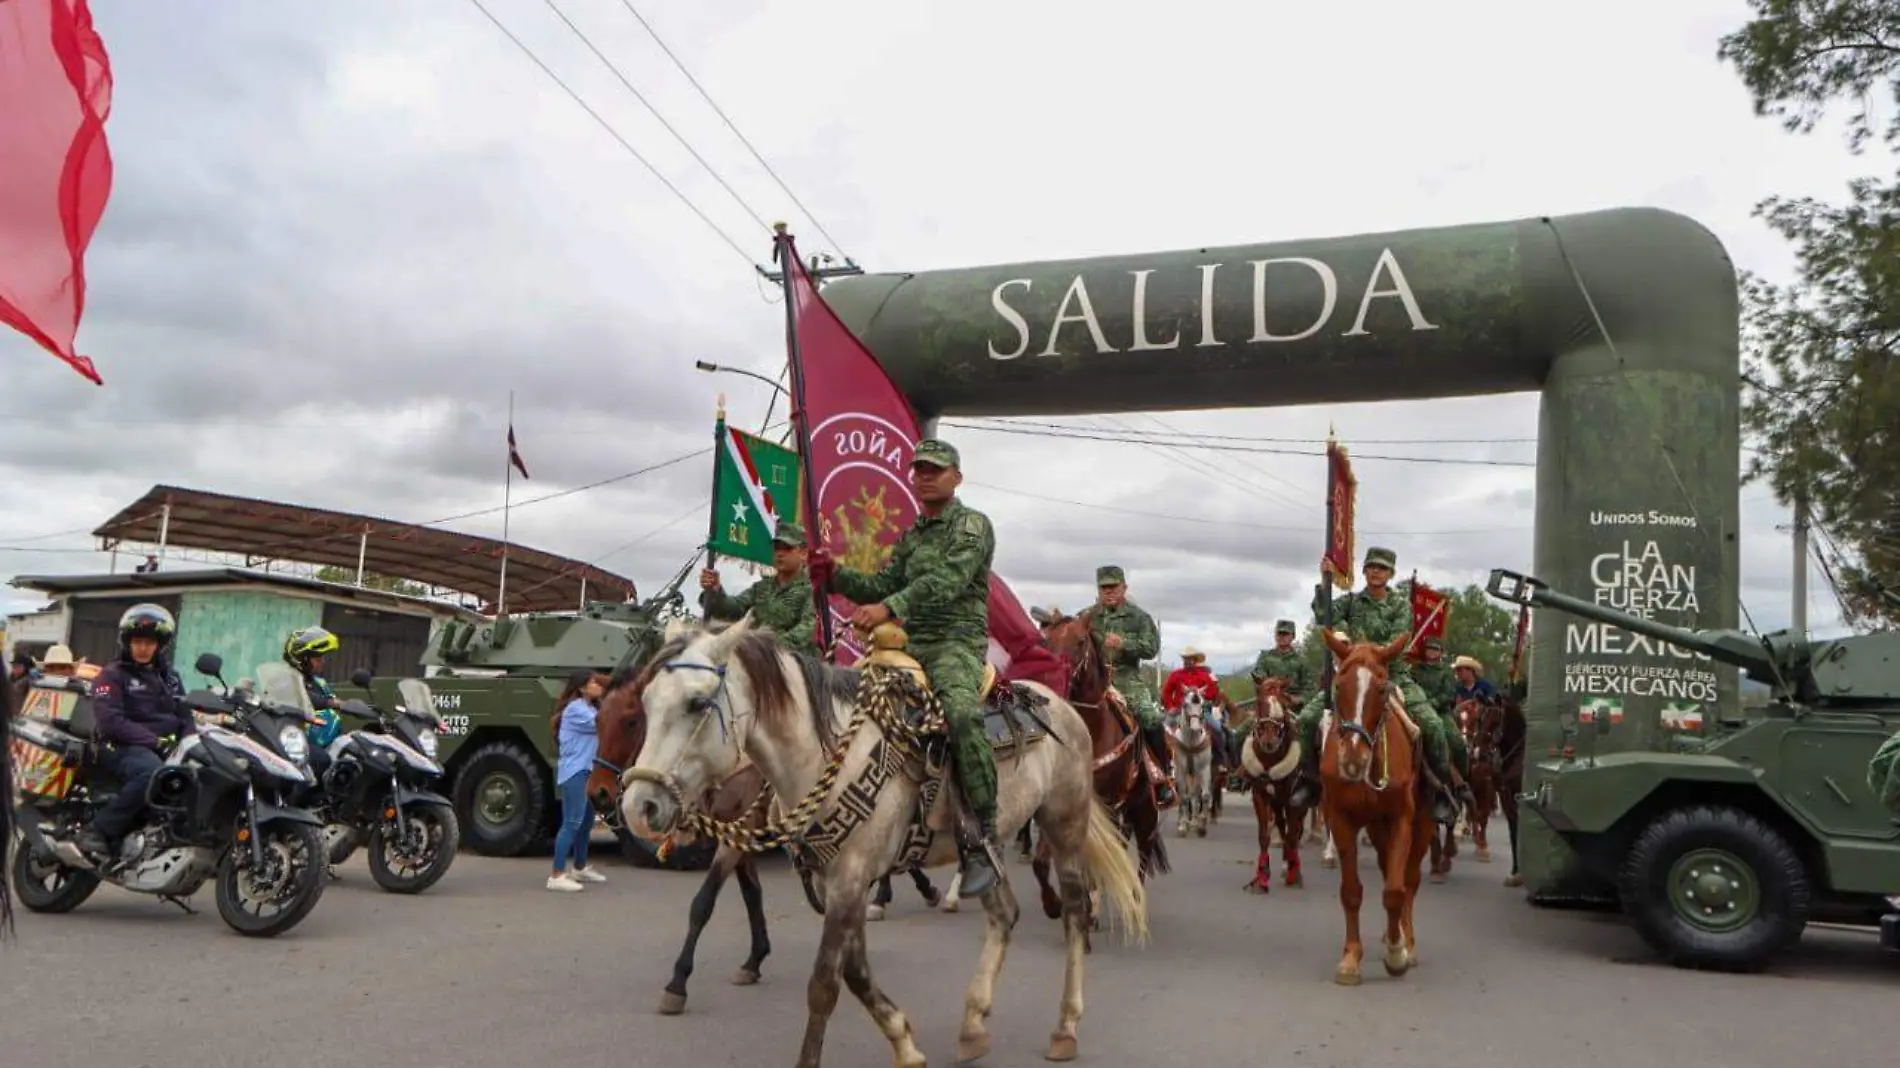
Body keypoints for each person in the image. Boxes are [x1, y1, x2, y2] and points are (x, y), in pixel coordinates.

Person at [809, 438, 1005, 898]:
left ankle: (984, 837)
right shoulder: (913, 535)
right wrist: (835, 574)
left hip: (955, 642)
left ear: (956, 477)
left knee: (960, 714)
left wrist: (889, 606)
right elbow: (880, 583)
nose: (924, 476)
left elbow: (948, 581)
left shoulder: (972, 526)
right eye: (918, 469)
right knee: (847, 708)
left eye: (935, 469)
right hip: (910, 644)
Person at [1287, 546, 1469, 820]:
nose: (1376, 572)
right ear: (1364, 571)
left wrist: (1369, 655)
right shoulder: (1351, 602)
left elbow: (1398, 641)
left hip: (1392, 676)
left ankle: (1441, 789)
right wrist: (1323, 581)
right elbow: (1324, 615)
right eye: (1371, 566)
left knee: (1432, 725)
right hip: (1355, 676)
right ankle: (1310, 779)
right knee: (1308, 719)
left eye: (1382, 568)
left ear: (1390, 574)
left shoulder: (1399, 606)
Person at [78, 605, 192, 861]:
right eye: (138, 641)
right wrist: (154, 741)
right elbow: (110, 721)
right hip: (119, 746)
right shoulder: (113, 674)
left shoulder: (171, 678)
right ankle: (98, 829)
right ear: (127, 642)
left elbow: (186, 715)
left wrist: (190, 744)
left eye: (149, 642)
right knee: (152, 773)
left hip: (159, 747)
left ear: (159, 645)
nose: (143, 648)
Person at [1089, 565, 1174, 806]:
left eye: (1113, 587)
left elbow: (1151, 647)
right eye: (1104, 588)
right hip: (1094, 681)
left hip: (1127, 680)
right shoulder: (1087, 616)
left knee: (1150, 718)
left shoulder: (1139, 617)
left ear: (1124, 587)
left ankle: (1163, 777)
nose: (1109, 592)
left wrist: (1124, 643)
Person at [699, 519, 817, 653]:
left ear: (803, 553)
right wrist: (715, 591)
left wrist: (765, 647)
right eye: (777, 547)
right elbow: (733, 609)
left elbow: (808, 630)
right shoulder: (761, 588)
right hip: (759, 661)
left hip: (797, 664)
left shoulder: (814, 589)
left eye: (787, 548)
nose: (780, 553)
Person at [547, 669, 608, 892]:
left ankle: (579, 867)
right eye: (594, 683)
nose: (598, 686)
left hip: (587, 771)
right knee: (572, 822)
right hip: (575, 772)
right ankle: (556, 874)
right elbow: (603, 723)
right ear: (582, 687)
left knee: (585, 823)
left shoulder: (590, 707)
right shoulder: (576, 710)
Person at [283, 626, 344, 793]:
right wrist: (332, 703)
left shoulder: (319, 682)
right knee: (321, 760)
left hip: (327, 738)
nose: (322, 662)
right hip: (297, 739)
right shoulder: (287, 680)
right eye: (317, 658)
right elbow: (304, 697)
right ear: (302, 660)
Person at [1241, 619, 1312, 748]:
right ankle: (1234, 764)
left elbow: (1310, 687)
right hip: (1267, 705)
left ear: (1292, 636)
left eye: (1286, 634)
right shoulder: (1265, 656)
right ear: (1275, 635)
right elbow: (1259, 675)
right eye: (1279, 634)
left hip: (1292, 706)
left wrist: (1300, 699)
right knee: (1240, 732)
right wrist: (1268, 686)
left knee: (1308, 733)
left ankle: (1307, 766)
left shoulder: (1302, 661)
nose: (1282, 637)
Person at [1161, 647, 1228, 768]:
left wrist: (1201, 694)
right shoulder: (1175, 675)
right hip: (1178, 710)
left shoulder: (1204, 676)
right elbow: (1166, 693)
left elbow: (1213, 692)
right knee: (1162, 730)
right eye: (1186, 659)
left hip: (1199, 710)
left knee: (1217, 729)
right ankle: (1164, 762)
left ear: (1195, 660)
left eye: (1190, 659)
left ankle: (1221, 760)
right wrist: (1170, 707)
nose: (1188, 661)